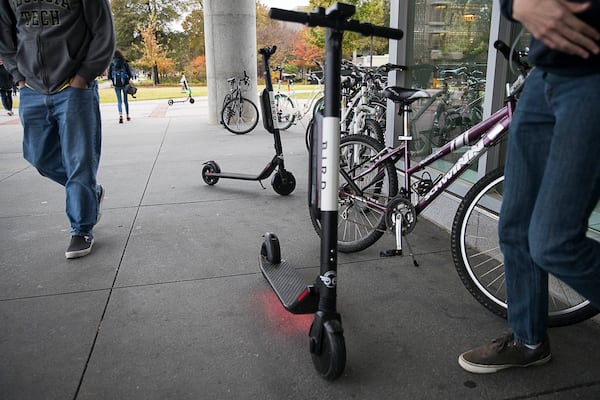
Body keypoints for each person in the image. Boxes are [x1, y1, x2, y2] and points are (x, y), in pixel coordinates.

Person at [458, 0, 600, 373]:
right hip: (544, 76)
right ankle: (529, 341)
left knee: (554, 243)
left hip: (592, 75)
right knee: (515, 227)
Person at [0, 0, 116, 259]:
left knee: (79, 162)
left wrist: (83, 77)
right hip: (31, 88)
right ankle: (89, 194)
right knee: (38, 157)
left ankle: (81, 228)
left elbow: (103, 32)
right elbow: (5, 34)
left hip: (74, 88)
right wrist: (18, 76)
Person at [108, 50, 133, 123]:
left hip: (116, 84)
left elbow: (109, 75)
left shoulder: (112, 63)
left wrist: (113, 81)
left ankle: (120, 115)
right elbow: (129, 73)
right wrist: (128, 80)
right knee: (125, 100)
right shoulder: (124, 62)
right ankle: (127, 115)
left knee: (119, 101)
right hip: (124, 83)